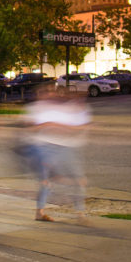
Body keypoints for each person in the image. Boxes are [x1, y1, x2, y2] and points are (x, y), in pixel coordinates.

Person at [24, 83, 91, 222]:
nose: (49, 94)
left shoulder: (63, 107)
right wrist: (48, 125)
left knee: (79, 180)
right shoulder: (34, 108)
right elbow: (30, 128)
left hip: (64, 147)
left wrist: (55, 125)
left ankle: (80, 213)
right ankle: (39, 212)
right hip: (42, 147)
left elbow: (77, 126)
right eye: (45, 92)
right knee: (45, 182)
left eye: (50, 91)